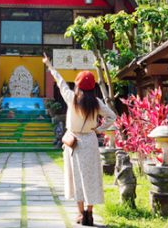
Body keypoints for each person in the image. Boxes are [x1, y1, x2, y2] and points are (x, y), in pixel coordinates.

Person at [43, 53, 116, 226]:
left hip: (73, 143)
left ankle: (80, 214)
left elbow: (60, 81)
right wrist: (99, 129)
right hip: (90, 142)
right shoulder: (97, 102)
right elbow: (112, 116)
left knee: (76, 178)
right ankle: (90, 214)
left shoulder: (71, 98)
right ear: (92, 87)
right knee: (90, 177)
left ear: (78, 85)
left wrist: (49, 65)